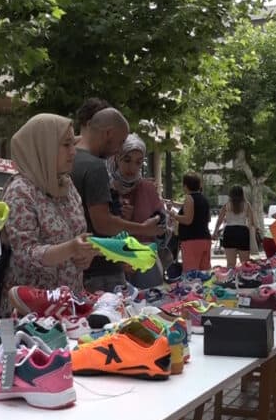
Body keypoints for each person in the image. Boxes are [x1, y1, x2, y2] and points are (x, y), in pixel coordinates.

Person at [0, 113, 98, 313]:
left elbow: (76, 236)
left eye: (74, 144)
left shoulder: (66, 185)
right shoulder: (21, 190)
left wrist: (86, 256)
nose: (73, 152)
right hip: (32, 314)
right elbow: (25, 254)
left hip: (70, 306)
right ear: (43, 147)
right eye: (66, 145)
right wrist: (70, 248)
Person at [71, 105, 164, 293]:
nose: (118, 149)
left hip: (83, 267)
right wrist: (143, 228)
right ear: (108, 133)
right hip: (100, 272)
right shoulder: (96, 167)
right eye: (120, 142)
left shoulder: (69, 160)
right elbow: (103, 223)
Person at [107, 133, 166, 287]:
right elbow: (99, 229)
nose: (132, 168)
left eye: (138, 162)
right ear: (116, 158)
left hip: (145, 266)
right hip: (111, 267)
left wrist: (158, 227)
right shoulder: (105, 188)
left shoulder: (147, 189)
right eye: (127, 160)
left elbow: (162, 232)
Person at [171, 172, 212, 272]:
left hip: (191, 240)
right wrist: (174, 203)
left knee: (191, 275)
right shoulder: (203, 199)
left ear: (185, 185)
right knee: (205, 273)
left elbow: (188, 220)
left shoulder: (189, 198)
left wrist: (174, 216)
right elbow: (208, 218)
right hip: (205, 239)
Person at [211, 185, 256, 268]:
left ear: (231, 194)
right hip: (243, 232)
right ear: (242, 194)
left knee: (230, 264)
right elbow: (252, 222)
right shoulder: (247, 204)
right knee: (244, 263)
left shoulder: (227, 205)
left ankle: (230, 279)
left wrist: (215, 232)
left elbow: (219, 220)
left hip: (229, 231)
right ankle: (244, 279)